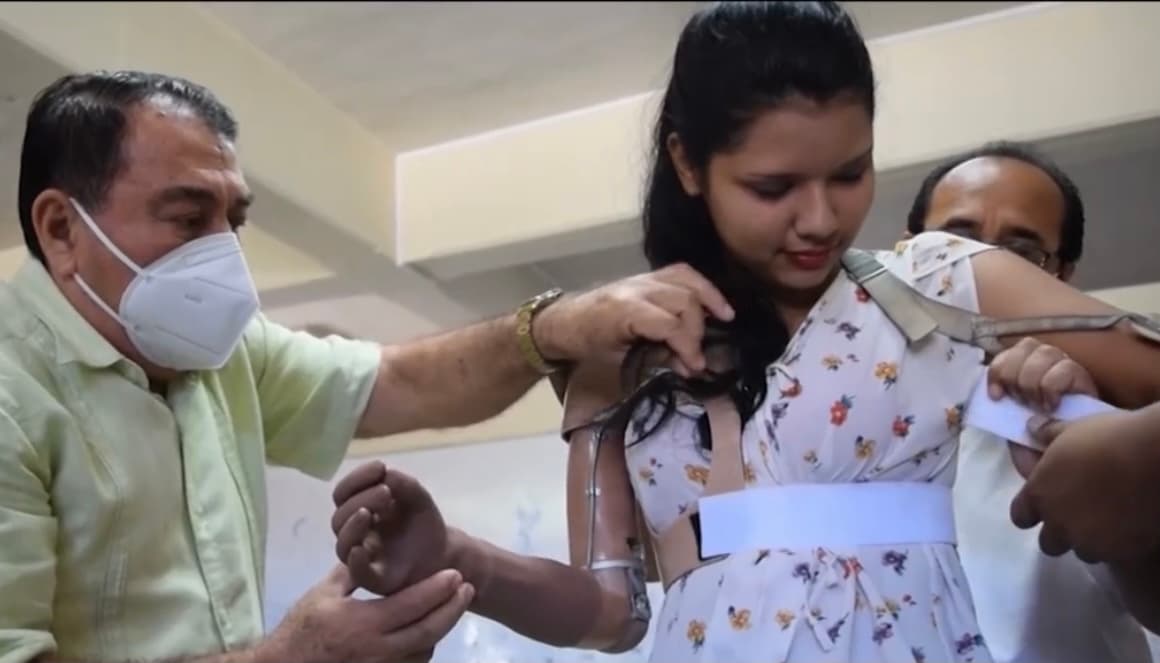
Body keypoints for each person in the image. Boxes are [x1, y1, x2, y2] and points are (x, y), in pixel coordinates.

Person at [331, 3, 1160, 662]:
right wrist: (457, 554)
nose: (821, 218)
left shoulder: (940, 283)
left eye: (850, 172)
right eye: (773, 185)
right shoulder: (623, 354)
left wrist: (1121, 441)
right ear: (690, 165)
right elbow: (611, 613)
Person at [0, 70, 737, 663]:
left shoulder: (218, 356)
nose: (224, 253)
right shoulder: (13, 392)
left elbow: (400, 382)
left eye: (236, 220)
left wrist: (550, 327)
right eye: (189, 218)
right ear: (62, 229)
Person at [906, 141, 1154, 661]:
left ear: (1061, 279)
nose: (981, 275)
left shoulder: (1118, 418)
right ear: (906, 252)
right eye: (952, 245)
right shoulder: (833, 415)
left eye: (1019, 255)